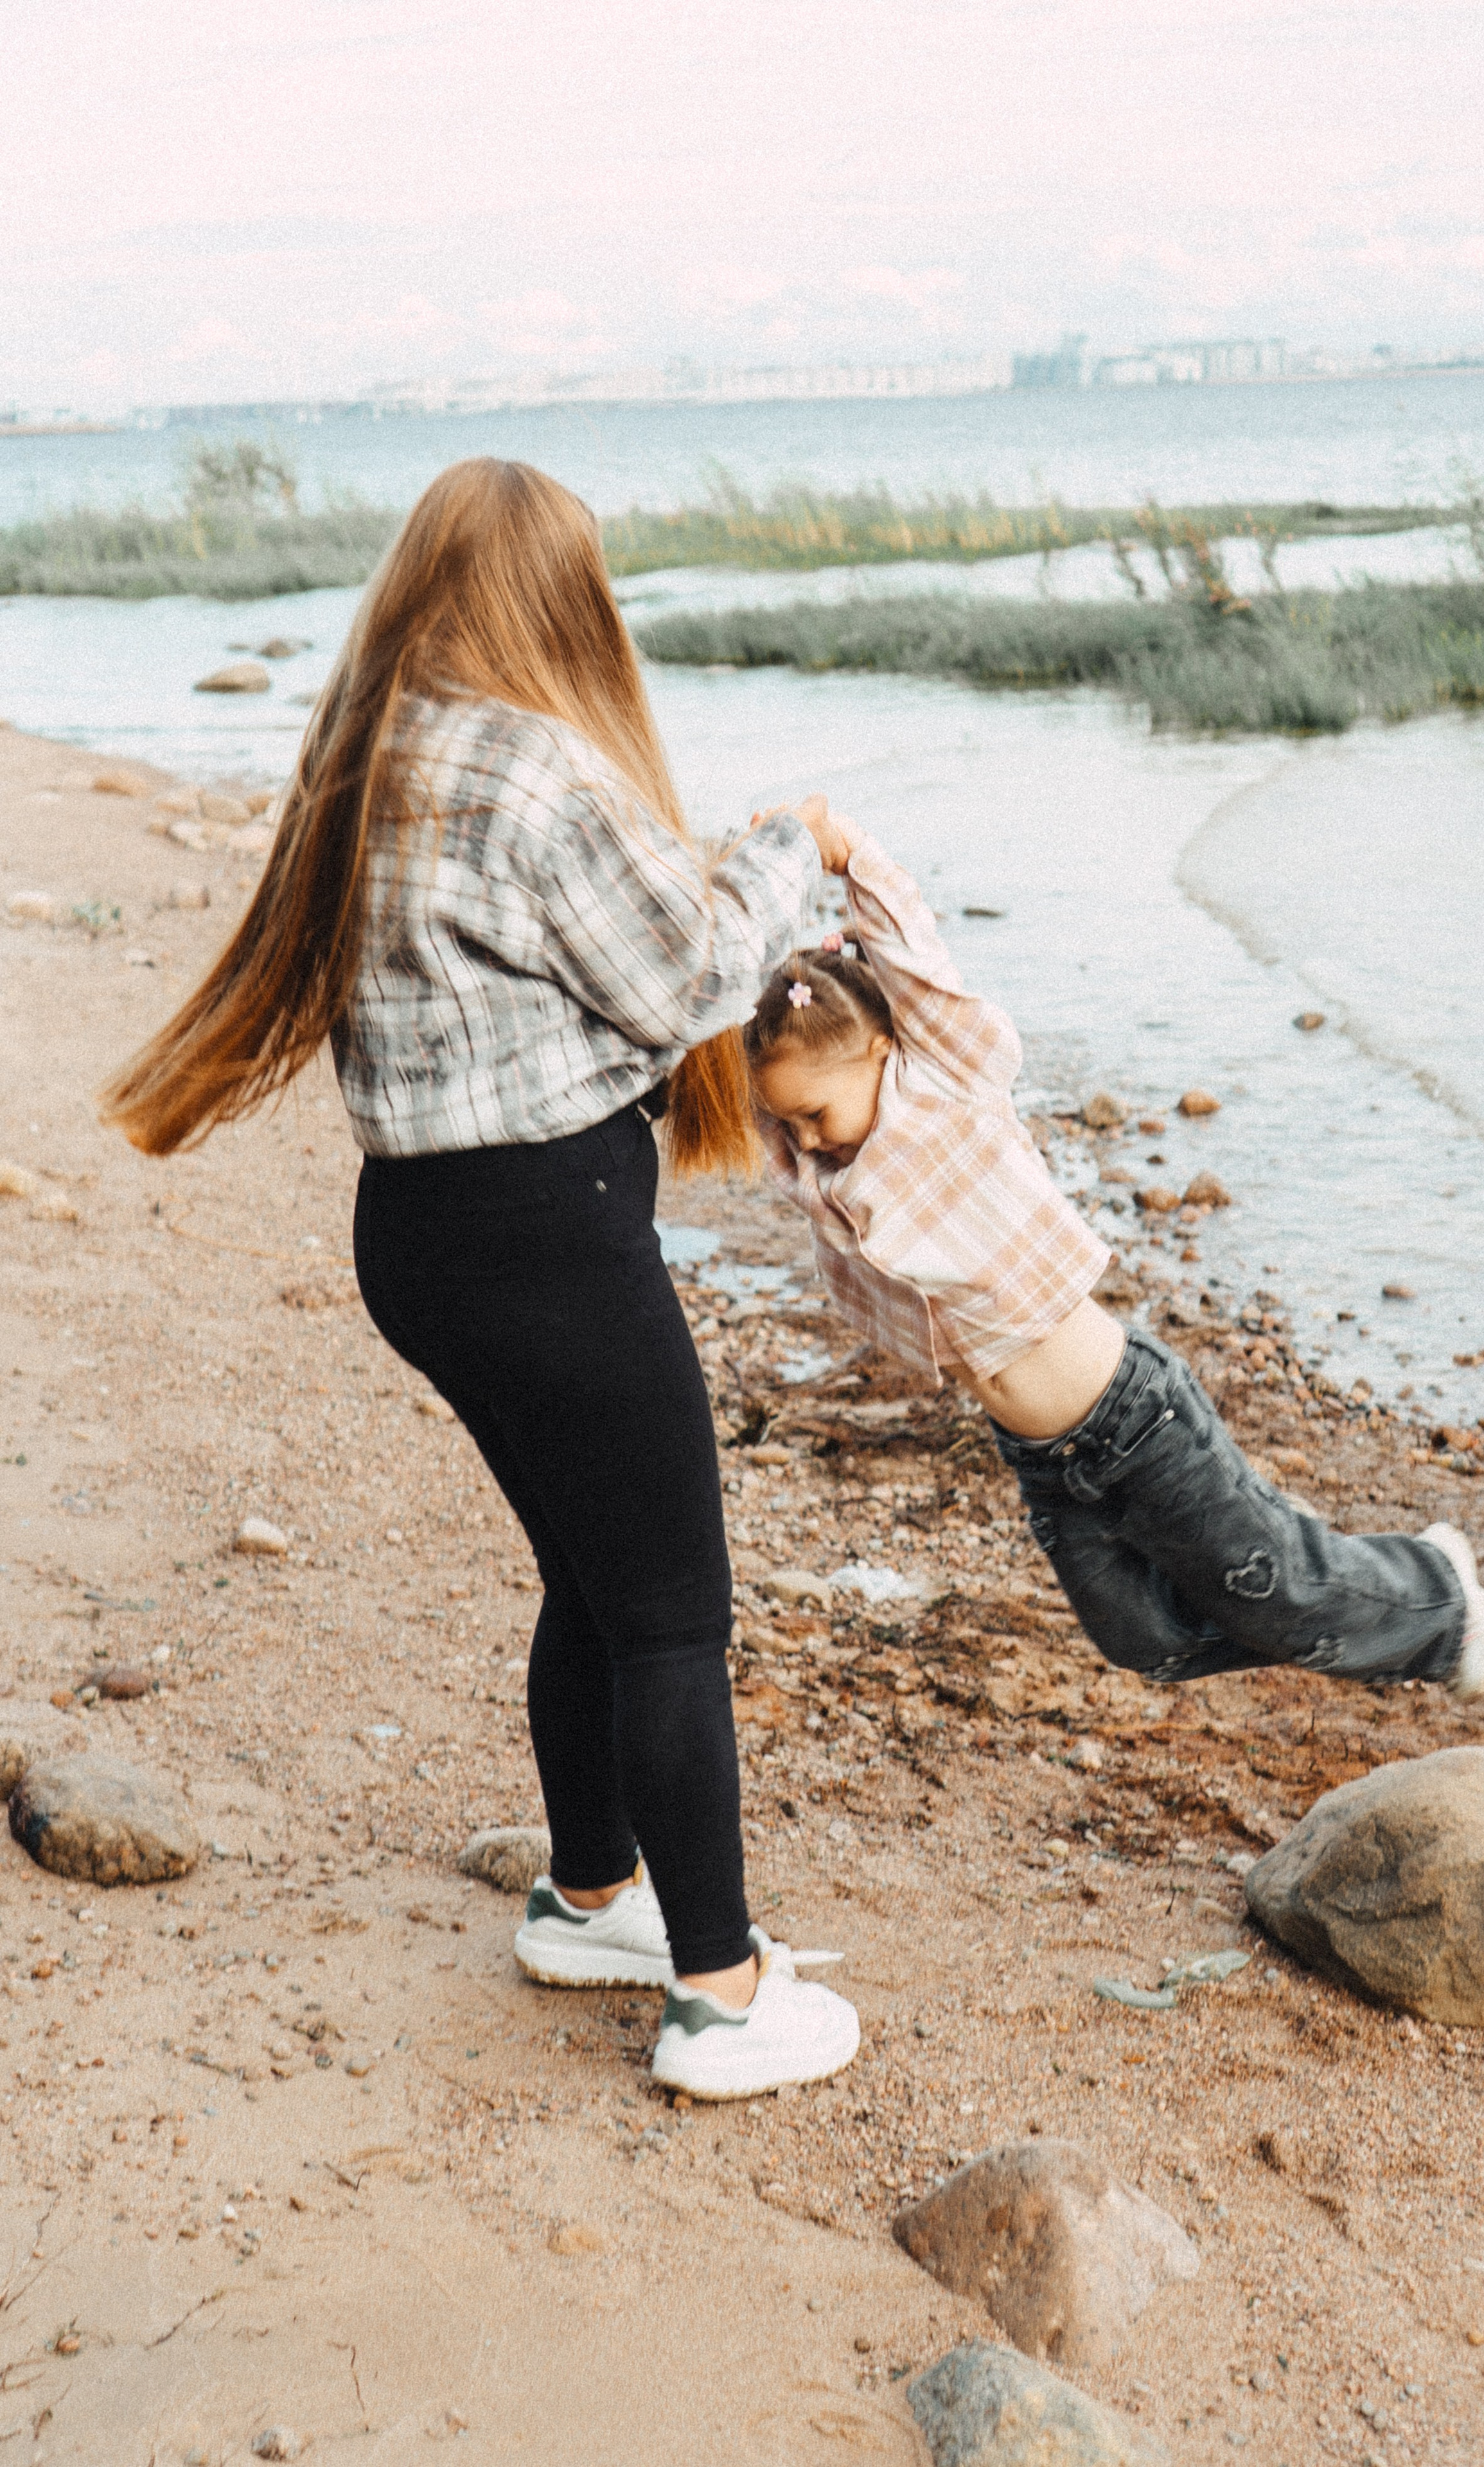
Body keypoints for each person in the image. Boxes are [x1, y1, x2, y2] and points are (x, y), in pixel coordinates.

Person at [101, 457, 861, 2102]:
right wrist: (786, 847)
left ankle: (591, 1895)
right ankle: (720, 1995)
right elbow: (686, 976)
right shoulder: (530, 764)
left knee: (592, 1579)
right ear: (560, 597)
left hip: (421, 1240)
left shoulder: (364, 750)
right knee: (670, 1614)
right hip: (547, 1234)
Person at [738, 818, 1484, 1700]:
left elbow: (920, 970)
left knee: (1280, 1602)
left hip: (1131, 1417)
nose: (802, 1140)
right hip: (1041, 1454)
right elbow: (750, 1072)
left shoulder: (945, 1089)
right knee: (1147, 1644)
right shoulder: (824, 1180)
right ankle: (1314, 1567)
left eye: (815, 1115)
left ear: (885, 1051)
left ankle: (1434, 1596)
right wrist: (758, 897)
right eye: (786, 1123)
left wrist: (844, 854)